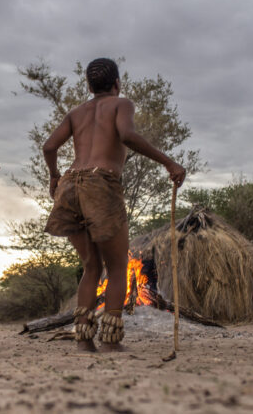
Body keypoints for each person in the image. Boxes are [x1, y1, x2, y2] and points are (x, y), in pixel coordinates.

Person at [43, 58, 186, 352]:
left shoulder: (75, 113)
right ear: (117, 84)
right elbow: (127, 135)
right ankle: (110, 342)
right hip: (100, 183)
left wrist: (54, 177)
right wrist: (168, 162)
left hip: (69, 186)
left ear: (89, 86)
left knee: (90, 266)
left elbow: (49, 147)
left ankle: (84, 341)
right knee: (118, 266)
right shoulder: (122, 104)